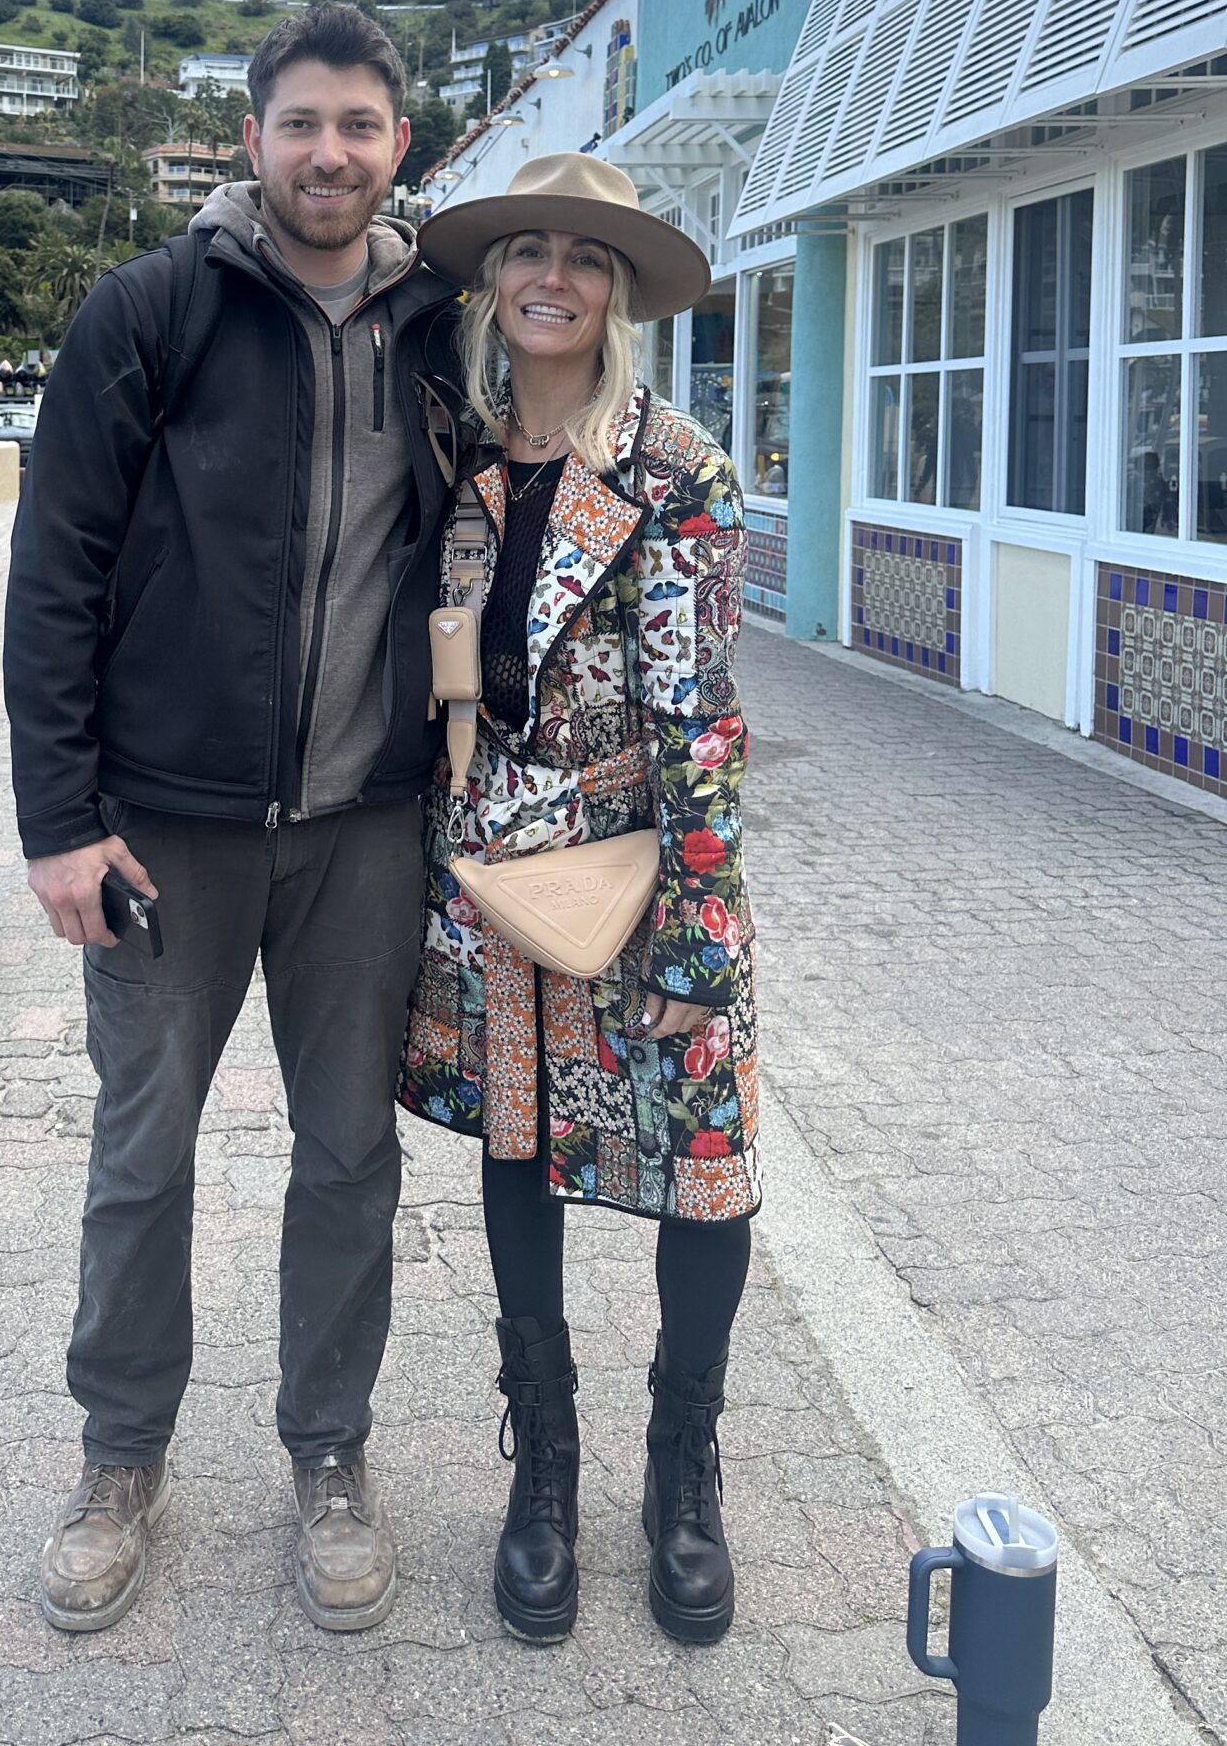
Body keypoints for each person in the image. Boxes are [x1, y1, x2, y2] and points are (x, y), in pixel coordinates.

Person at [5, 2, 462, 1637]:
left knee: (350, 1159)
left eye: (359, 124)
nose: (329, 152)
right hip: (165, 832)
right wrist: (59, 819)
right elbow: (53, 568)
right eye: (300, 124)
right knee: (143, 1153)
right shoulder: (150, 312)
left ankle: (328, 1454)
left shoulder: (442, 330)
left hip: (366, 833)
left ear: (397, 142)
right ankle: (120, 1456)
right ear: (251, 138)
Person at [397, 154, 757, 1651]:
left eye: (586, 259)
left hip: (642, 871)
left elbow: (703, 712)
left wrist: (701, 931)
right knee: (520, 1146)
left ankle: (684, 1472)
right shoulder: (462, 460)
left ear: (618, 293)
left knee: (705, 1166)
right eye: (528, 251)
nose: (554, 275)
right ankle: (544, 1469)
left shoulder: (675, 468)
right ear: (494, 281)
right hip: (492, 886)